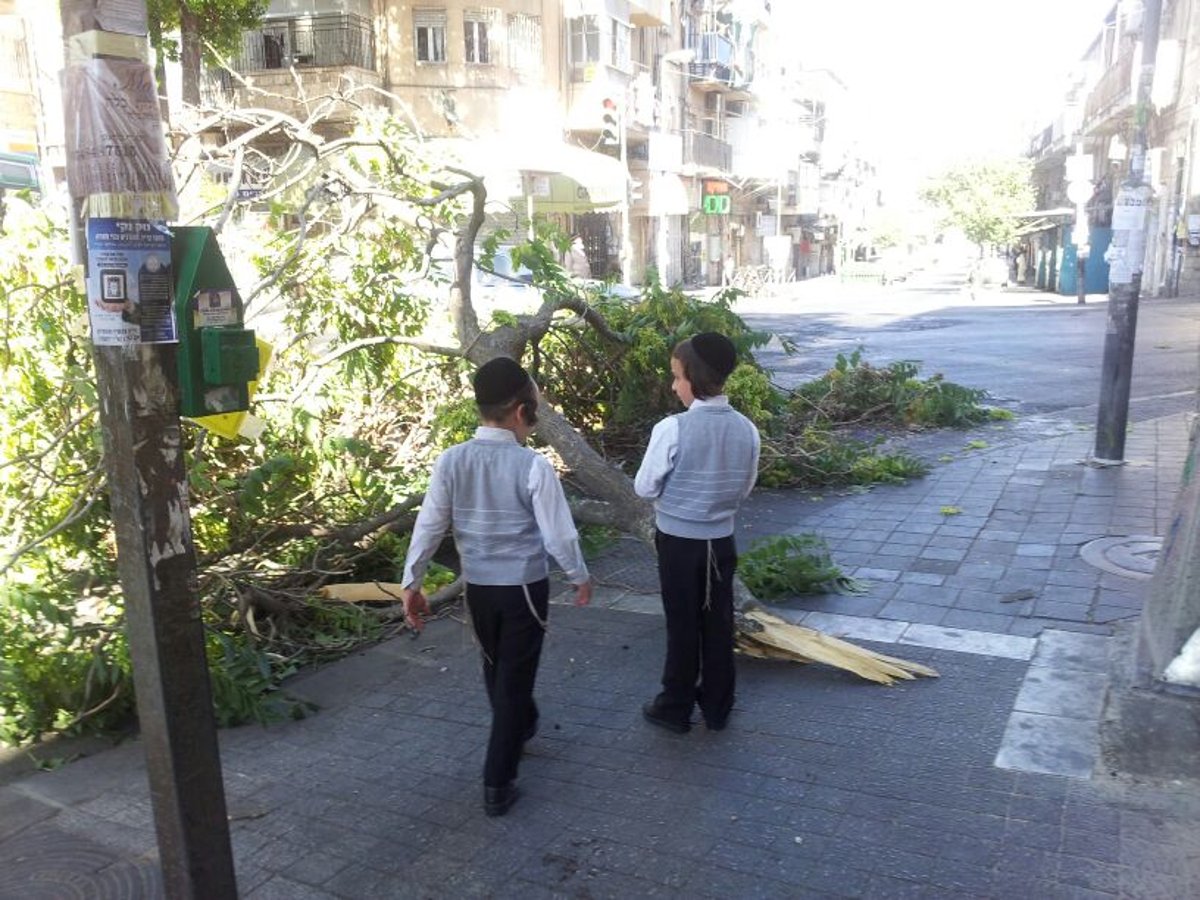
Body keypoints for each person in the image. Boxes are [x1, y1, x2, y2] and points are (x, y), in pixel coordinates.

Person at [400, 357, 593, 816]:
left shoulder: (451, 460)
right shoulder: (533, 466)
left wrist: (412, 581)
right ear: (523, 413)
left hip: (479, 589)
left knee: (495, 666)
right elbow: (559, 534)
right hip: (524, 587)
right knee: (514, 677)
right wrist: (579, 575)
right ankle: (497, 779)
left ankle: (522, 723)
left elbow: (429, 524)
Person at [634, 332, 760, 734]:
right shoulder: (747, 429)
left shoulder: (672, 429)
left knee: (682, 624)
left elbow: (644, 487)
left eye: (676, 376)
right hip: (721, 541)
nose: (674, 386)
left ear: (694, 376)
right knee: (718, 623)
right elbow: (745, 487)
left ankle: (675, 705)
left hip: (677, 543)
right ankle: (719, 705)